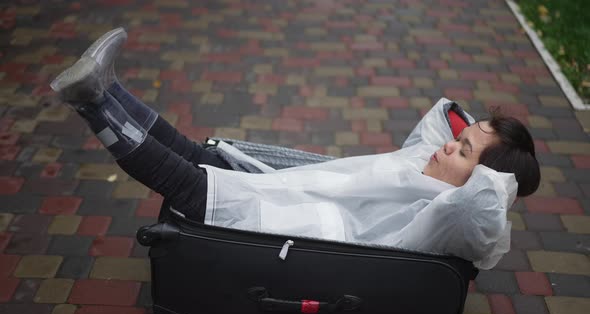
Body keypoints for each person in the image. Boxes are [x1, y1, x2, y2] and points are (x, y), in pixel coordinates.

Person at [50, 28, 540, 269]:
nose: (448, 146)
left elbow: (483, 207)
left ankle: (92, 103)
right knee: (197, 153)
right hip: (292, 196)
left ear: (481, 183)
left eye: (463, 151)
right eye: (460, 138)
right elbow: (440, 124)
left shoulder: (452, 213)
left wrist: (497, 175)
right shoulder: (428, 168)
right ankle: (108, 89)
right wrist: (471, 142)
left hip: (290, 232)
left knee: (187, 181)